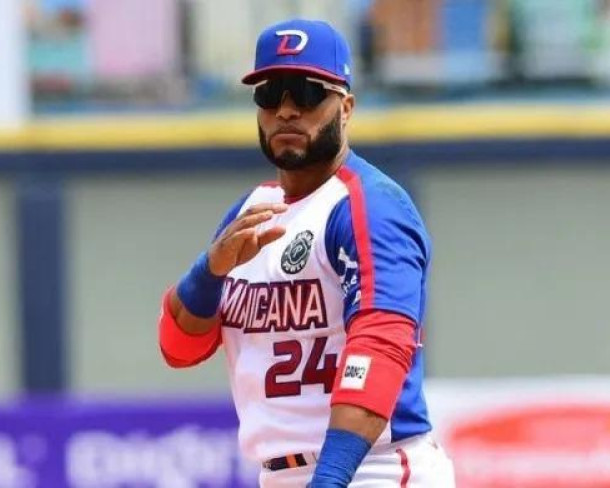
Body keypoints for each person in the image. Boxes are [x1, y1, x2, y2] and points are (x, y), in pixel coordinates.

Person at [157, 18, 455, 488]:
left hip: (369, 467)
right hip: (280, 474)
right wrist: (210, 270)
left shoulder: (369, 205)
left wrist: (330, 480)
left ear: (346, 107)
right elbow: (178, 347)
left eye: (307, 92)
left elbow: (380, 349)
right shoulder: (253, 210)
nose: (287, 110)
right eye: (270, 94)